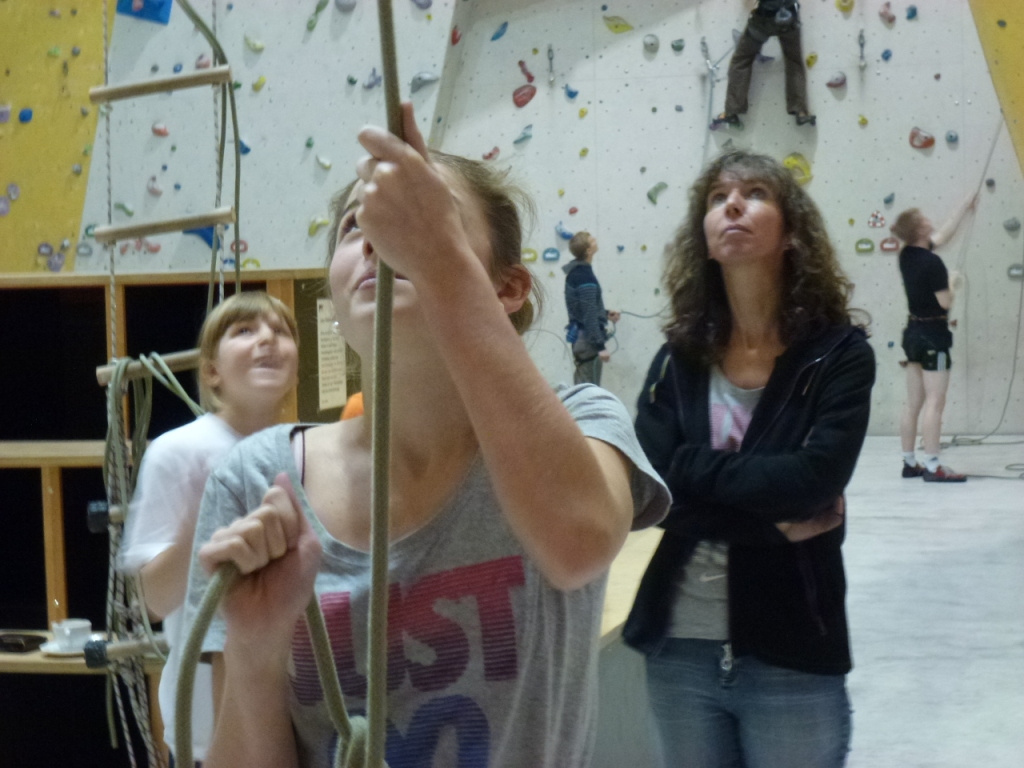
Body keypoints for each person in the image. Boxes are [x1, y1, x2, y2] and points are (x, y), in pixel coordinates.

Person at [184, 103, 669, 768]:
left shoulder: (583, 420)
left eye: (423, 216)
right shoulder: (257, 480)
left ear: (508, 288)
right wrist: (255, 651)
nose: (379, 240)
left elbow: (576, 545)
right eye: (356, 225)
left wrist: (438, 257)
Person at [623, 150, 875, 767]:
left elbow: (810, 484)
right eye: (717, 198)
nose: (732, 204)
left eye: (755, 193)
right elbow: (647, 487)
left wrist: (690, 470)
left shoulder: (838, 355)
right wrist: (766, 525)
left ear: (791, 234)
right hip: (678, 648)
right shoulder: (678, 358)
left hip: (792, 648)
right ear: (706, 241)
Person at [119, 291, 300, 766]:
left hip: (303, 713)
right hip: (208, 727)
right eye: (244, 331)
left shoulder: (308, 449)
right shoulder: (178, 452)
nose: (267, 339)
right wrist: (204, 516)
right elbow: (154, 599)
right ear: (213, 371)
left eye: (281, 331)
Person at [891, 194, 976, 482]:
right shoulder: (933, 263)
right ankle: (932, 466)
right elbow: (945, 302)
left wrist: (963, 207)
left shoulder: (907, 255)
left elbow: (943, 236)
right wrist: (953, 282)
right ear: (920, 229)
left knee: (913, 403)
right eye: (924, 219)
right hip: (934, 337)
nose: (930, 220)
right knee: (935, 402)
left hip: (912, 334)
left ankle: (909, 463)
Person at [712, 0, 815, 128]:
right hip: (789, 18)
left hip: (763, 19)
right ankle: (800, 111)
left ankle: (731, 112)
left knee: (741, 60)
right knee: (794, 61)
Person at [563, 231, 620, 385]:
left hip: (583, 338)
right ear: (588, 250)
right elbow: (588, 315)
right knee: (588, 390)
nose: (596, 240)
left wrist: (605, 314)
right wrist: (600, 346)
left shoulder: (578, 271)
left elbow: (585, 307)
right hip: (587, 341)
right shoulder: (584, 276)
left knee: (585, 387)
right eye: (592, 240)